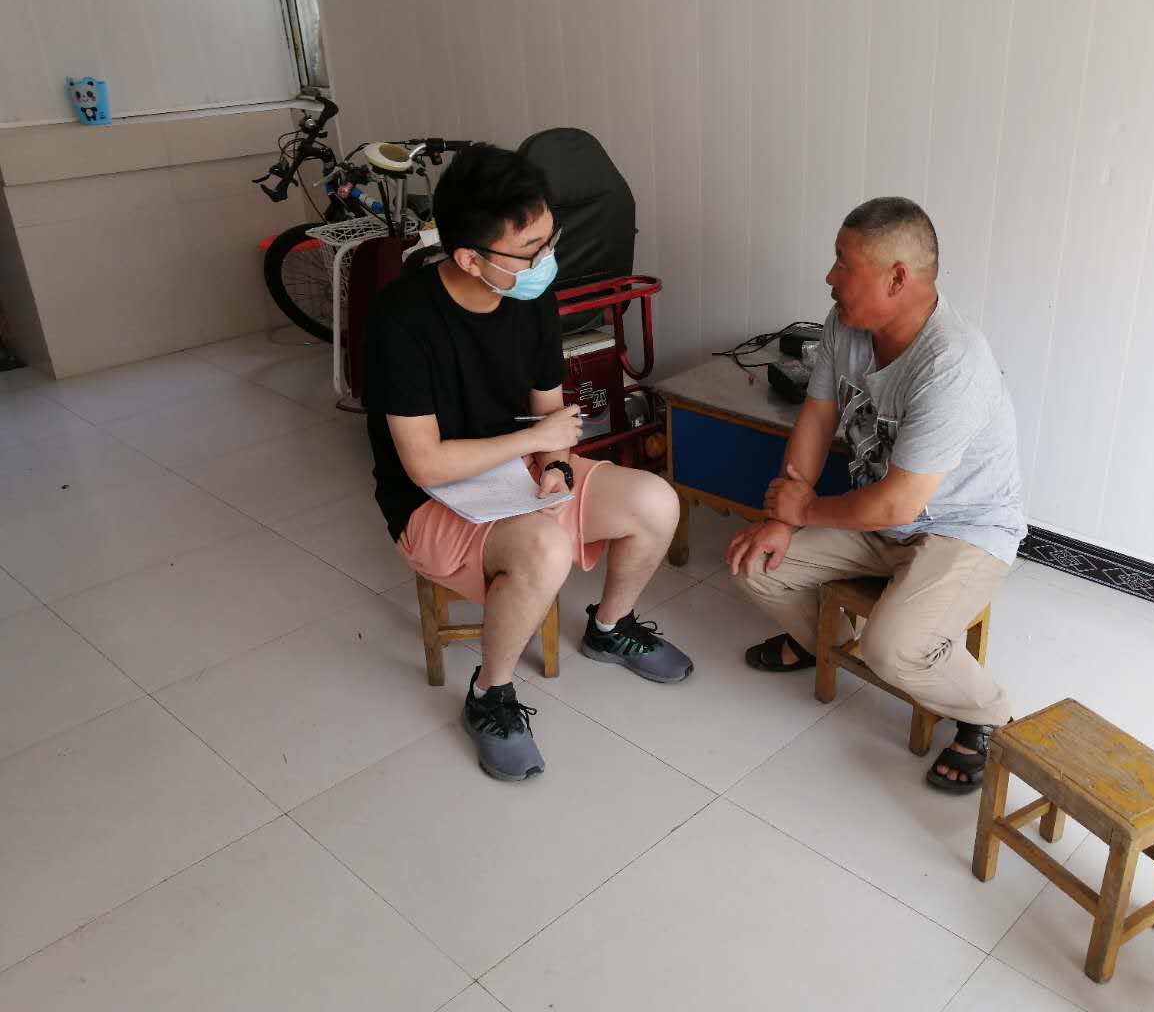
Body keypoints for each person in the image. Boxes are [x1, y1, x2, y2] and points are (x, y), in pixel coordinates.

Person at [364, 143, 693, 783]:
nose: (547, 260)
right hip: (428, 501)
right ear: (469, 257)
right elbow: (424, 465)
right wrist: (532, 443)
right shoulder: (401, 320)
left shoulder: (526, 293)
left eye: (550, 240)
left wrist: (557, 465)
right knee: (546, 549)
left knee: (655, 501)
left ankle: (609, 626)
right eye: (530, 249)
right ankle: (489, 693)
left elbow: (548, 408)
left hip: (513, 474)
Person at [726, 197, 1026, 794]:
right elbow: (817, 416)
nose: (830, 277)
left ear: (897, 278)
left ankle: (989, 714)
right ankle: (826, 645)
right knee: (756, 564)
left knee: (893, 650)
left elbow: (899, 504)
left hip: (961, 529)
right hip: (879, 518)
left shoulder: (953, 364)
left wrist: (804, 510)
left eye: (844, 263)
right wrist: (783, 518)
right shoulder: (846, 324)